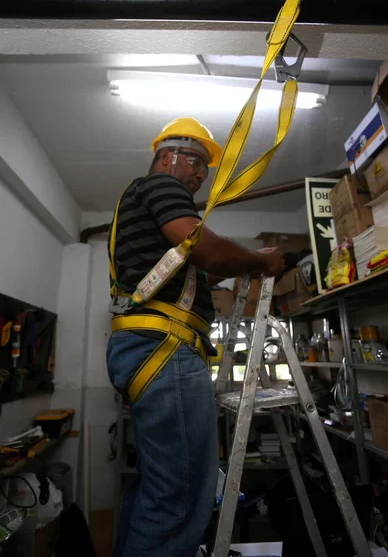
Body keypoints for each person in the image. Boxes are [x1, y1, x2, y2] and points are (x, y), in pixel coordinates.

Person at [107, 117, 285, 557]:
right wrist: (259, 259)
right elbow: (206, 248)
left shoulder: (141, 205)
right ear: (167, 157)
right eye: (196, 162)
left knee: (158, 487)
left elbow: (191, 263)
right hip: (162, 348)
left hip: (146, 347)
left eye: (205, 167)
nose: (201, 174)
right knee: (181, 497)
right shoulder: (161, 186)